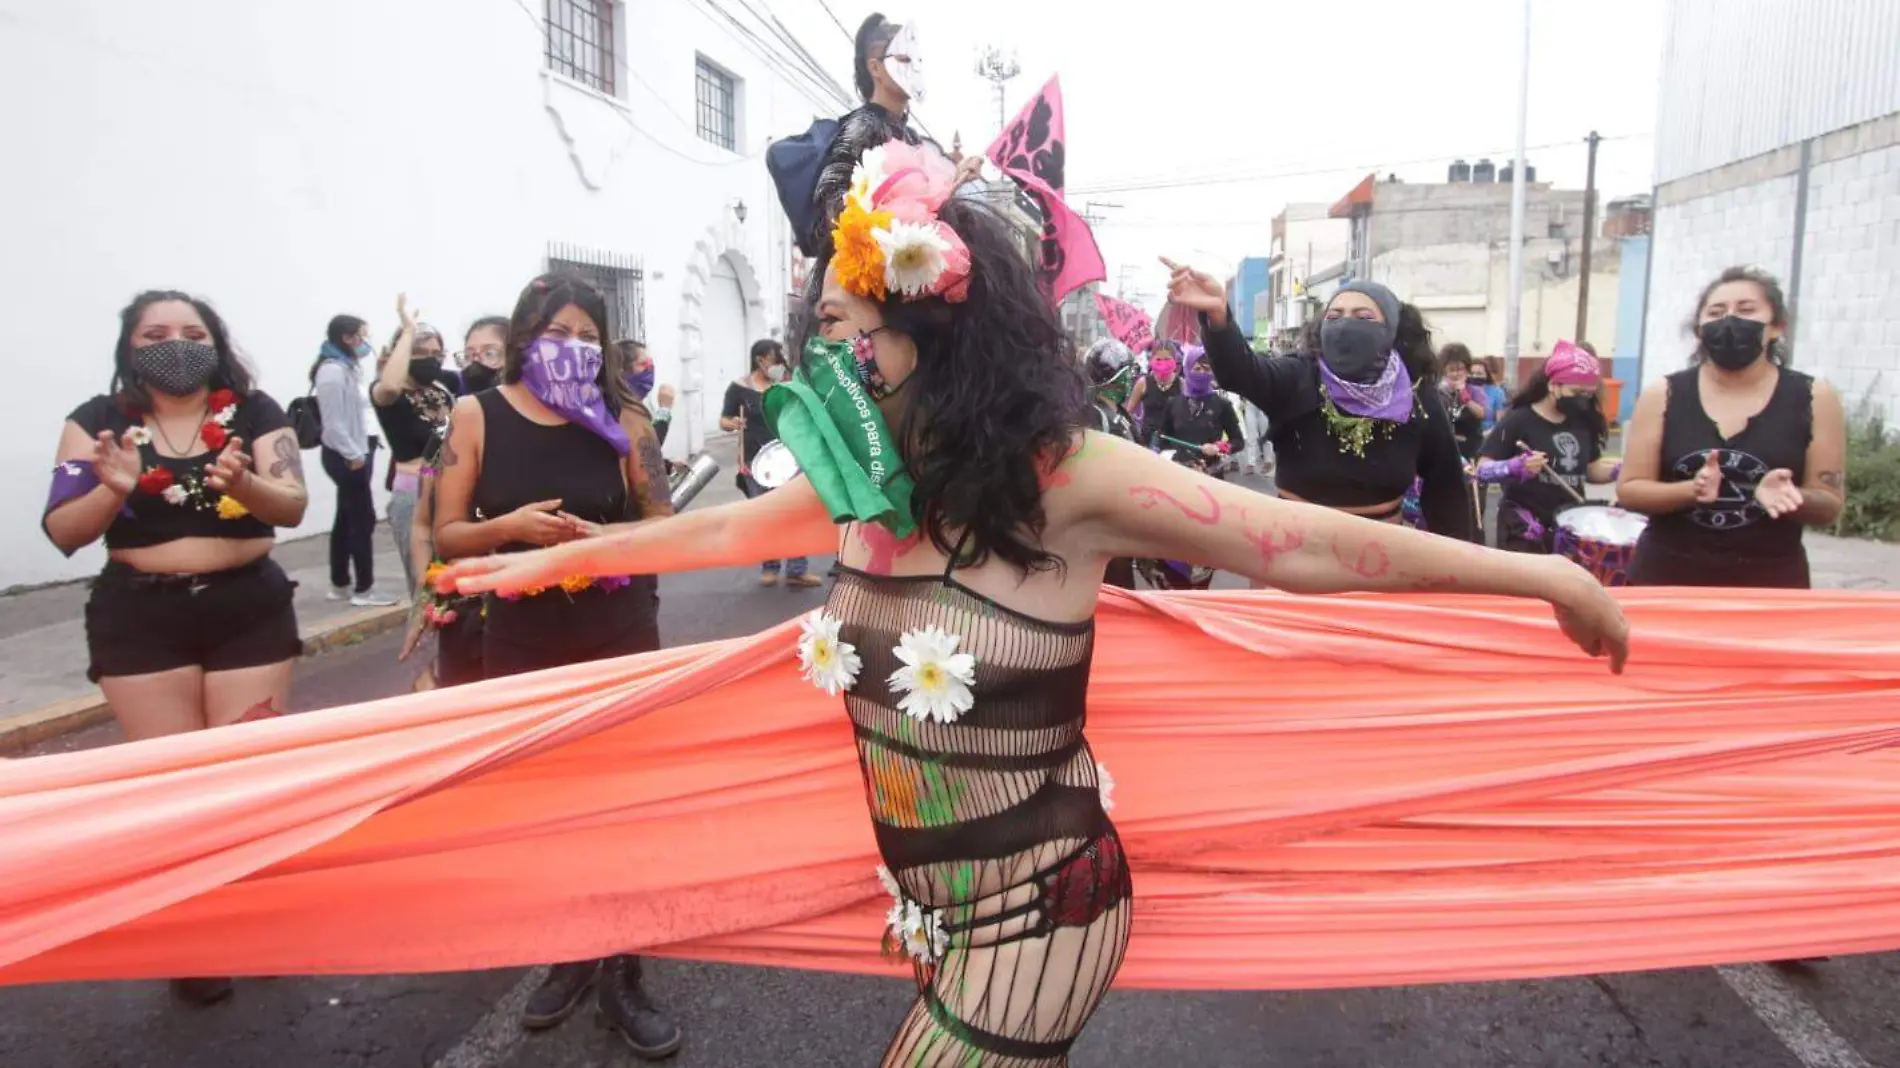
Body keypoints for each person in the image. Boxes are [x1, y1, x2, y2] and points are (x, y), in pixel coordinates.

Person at [443, 138, 1628, 1066]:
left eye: (853, 331)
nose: (833, 359)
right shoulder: (867, 480)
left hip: (1043, 914)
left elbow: (1300, 547)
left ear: (930, 330)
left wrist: (1538, 574)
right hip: (929, 916)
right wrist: (556, 557)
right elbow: (728, 527)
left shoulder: (1071, 476)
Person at [430, 275, 677, 1055]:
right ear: (523, 333)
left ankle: (624, 967)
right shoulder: (478, 413)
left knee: (623, 802)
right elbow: (447, 534)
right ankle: (571, 950)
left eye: (585, 334)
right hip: (522, 634)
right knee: (551, 802)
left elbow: (661, 519)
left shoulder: (625, 419)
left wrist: (601, 544)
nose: (569, 347)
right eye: (552, 331)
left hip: (617, 627)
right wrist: (508, 527)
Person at [42, 289, 310, 1006]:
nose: (175, 342)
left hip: (246, 608)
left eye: (192, 331)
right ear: (130, 346)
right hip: (140, 618)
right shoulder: (95, 423)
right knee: (175, 784)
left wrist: (247, 481)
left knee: (246, 773)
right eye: (156, 332)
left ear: (215, 343)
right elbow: (64, 532)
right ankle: (194, 934)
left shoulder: (255, 414)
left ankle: (252, 918)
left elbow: (292, 505)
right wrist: (113, 491)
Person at [1170, 268, 1478, 542]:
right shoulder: (1300, 375)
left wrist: (1455, 576)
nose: (1345, 325)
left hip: (1379, 563)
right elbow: (1243, 372)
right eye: (1335, 316)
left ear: (1391, 330)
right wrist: (1219, 317)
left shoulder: (1415, 395)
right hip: (1290, 552)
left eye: (1364, 317)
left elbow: (1446, 486)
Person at [1619, 266, 1845, 588]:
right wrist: (1691, 491)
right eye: (1716, 311)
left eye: (1746, 309)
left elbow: (1829, 503)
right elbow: (1631, 490)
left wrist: (1792, 497)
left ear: (1776, 327)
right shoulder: (1663, 394)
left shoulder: (1813, 397)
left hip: (1770, 584)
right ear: (1699, 329)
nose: (1729, 320)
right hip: (1667, 580)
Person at [1474, 341, 1620, 554]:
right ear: (1553, 385)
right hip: (1523, 527)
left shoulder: (1583, 422)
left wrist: (1619, 470)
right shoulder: (1519, 420)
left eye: (1588, 394)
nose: (1583, 400)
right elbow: (1482, 469)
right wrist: (1515, 467)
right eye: (1577, 392)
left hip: (1569, 526)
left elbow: (1590, 469)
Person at [372, 295, 459, 593]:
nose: (431, 359)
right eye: (420, 352)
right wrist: (408, 332)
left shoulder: (442, 389)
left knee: (457, 581)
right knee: (427, 587)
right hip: (413, 494)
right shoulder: (389, 396)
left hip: (451, 491)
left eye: (437, 352)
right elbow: (390, 384)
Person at [312, 313, 397, 606]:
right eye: (363, 336)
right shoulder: (333, 372)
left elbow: (360, 409)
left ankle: (340, 583)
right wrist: (353, 455)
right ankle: (365, 589)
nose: (366, 342)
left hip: (359, 450)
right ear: (347, 338)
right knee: (362, 520)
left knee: (346, 517)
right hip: (348, 455)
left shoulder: (348, 367)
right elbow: (333, 423)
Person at [723, 338, 819, 588]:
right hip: (755, 460)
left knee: (795, 514)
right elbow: (724, 419)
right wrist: (732, 424)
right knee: (766, 516)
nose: (778, 365)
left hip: (788, 458)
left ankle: (797, 570)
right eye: (774, 360)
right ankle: (770, 566)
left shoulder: (785, 385)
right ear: (760, 360)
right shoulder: (738, 388)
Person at [1082, 339, 1139, 589]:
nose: (1132, 381)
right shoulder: (1094, 416)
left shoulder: (1121, 414)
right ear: (1115, 377)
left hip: (1124, 518)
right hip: (1103, 520)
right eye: (1128, 375)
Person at [1156, 346, 1245, 479]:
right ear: (1187, 369)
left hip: (1211, 476)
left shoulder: (1222, 404)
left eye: (1206, 369)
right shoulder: (1173, 404)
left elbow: (1238, 441)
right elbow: (1162, 438)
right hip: (1178, 476)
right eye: (1197, 369)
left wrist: (1219, 447)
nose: (1202, 373)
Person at [1128, 338, 1183, 445]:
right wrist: (1135, 433)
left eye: (1167, 359)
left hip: (1173, 441)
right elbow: (1128, 411)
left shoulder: (1181, 384)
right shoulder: (1143, 383)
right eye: (1159, 360)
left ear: (1174, 361)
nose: (1163, 364)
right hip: (1147, 442)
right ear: (1152, 360)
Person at [1438, 344, 1487, 462]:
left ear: (1467, 370)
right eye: (1451, 370)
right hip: (1446, 448)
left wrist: (1466, 397)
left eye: (1460, 369)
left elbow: (1481, 413)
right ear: (1444, 371)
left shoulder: (1475, 390)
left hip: (1471, 448)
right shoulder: (1439, 392)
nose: (1456, 374)